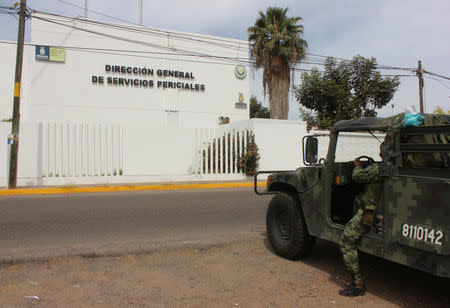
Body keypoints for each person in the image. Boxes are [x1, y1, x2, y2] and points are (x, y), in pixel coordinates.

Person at [338, 157, 383, 297]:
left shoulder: (379, 169)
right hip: (377, 208)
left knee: (346, 242)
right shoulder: (386, 167)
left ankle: (357, 285)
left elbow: (356, 176)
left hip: (368, 212)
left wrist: (357, 165)